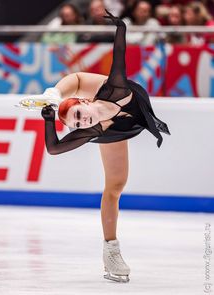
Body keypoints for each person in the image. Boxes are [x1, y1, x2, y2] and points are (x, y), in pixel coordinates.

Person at [41, 9, 171, 283]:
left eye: (77, 115)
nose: (80, 122)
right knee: (115, 187)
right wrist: (49, 120)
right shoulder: (91, 130)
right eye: (76, 124)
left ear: (83, 102)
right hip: (116, 131)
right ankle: (111, 250)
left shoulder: (115, 89)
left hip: (127, 106)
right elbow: (53, 149)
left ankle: (59, 93)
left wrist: (121, 27)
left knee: (79, 83)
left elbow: (119, 56)